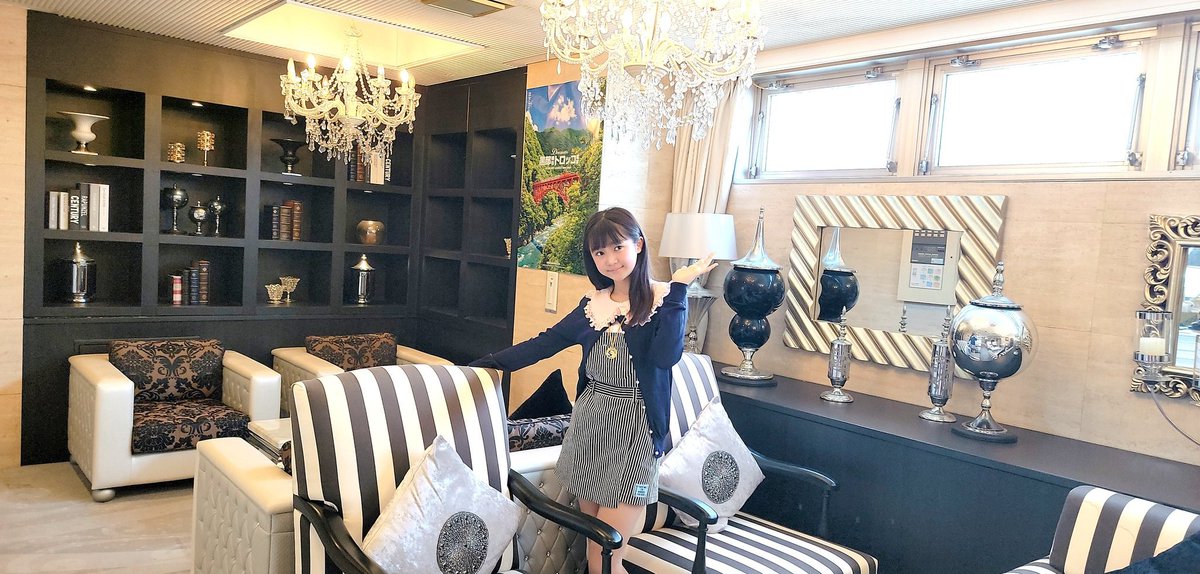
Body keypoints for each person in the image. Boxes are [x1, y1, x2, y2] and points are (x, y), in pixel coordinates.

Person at [471, 207, 715, 574]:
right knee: (595, 553)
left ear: (638, 244)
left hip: (636, 433)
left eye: (617, 247)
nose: (610, 260)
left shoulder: (664, 300)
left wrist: (680, 287)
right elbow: (543, 344)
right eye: (600, 252)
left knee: (609, 555)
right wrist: (481, 365)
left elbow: (666, 357)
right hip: (590, 425)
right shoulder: (592, 306)